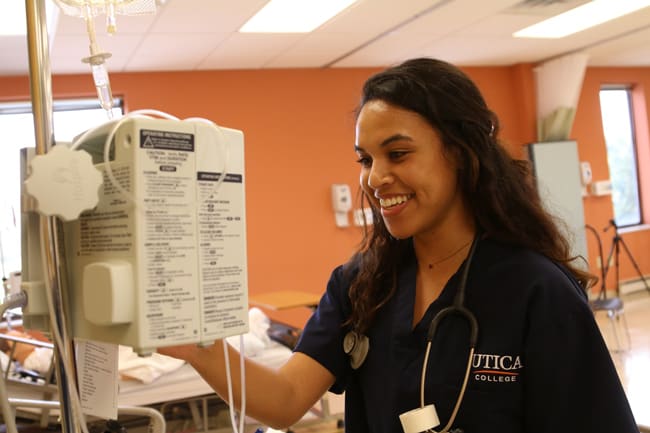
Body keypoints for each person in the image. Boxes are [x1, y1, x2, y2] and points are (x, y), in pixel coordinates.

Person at [159, 58, 638, 432]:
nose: (375, 178)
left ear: (462, 153)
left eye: (398, 153)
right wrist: (200, 348)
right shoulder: (364, 283)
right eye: (365, 159)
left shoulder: (535, 291)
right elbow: (285, 401)